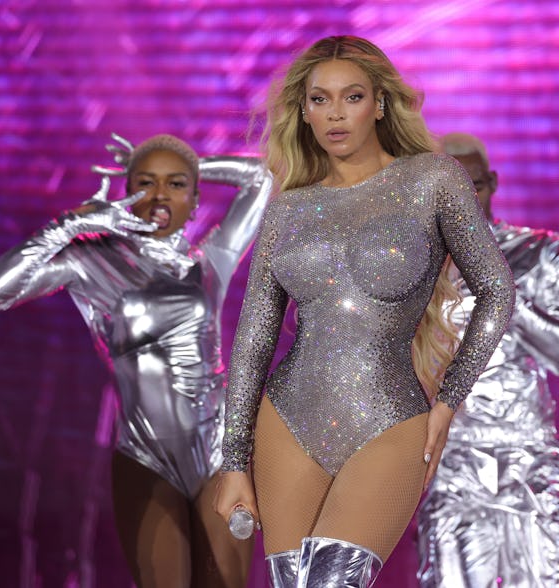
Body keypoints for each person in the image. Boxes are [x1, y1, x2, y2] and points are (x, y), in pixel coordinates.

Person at [212, 36, 515, 588]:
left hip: (391, 422)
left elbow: (496, 290)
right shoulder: (289, 210)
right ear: (302, 112)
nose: (335, 114)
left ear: (378, 103)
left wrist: (448, 402)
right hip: (287, 423)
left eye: (351, 97)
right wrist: (234, 460)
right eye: (319, 99)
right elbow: (253, 340)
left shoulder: (432, 180)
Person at [0, 133, 273, 588]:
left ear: (195, 201)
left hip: (221, 459)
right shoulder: (93, 259)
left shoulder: (209, 262)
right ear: (126, 192)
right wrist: (67, 227)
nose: (159, 195)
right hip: (145, 457)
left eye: (176, 184)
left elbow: (261, 177)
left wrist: (191, 162)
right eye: (146, 183)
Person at [416, 132, 559, 588]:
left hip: (527, 455)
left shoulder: (540, 252)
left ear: (493, 183)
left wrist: (500, 288)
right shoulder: (417, 265)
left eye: (476, 185)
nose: (467, 199)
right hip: (452, 457)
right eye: (453, 189)